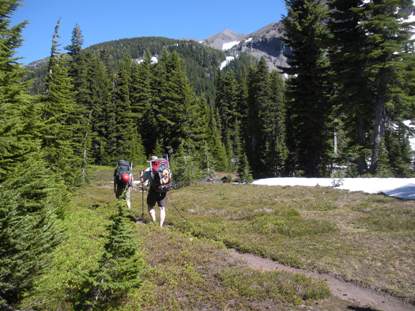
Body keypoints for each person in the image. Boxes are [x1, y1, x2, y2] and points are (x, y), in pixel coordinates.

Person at [140, 155, 169, 227]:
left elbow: (143, 181)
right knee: (162, 208)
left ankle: (154, 222)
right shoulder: (165, 168)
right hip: (163, 190)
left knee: (150, 206)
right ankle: (161, 226)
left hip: (153, 190)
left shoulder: (149, 170)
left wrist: (141, 175)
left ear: (151, 162)